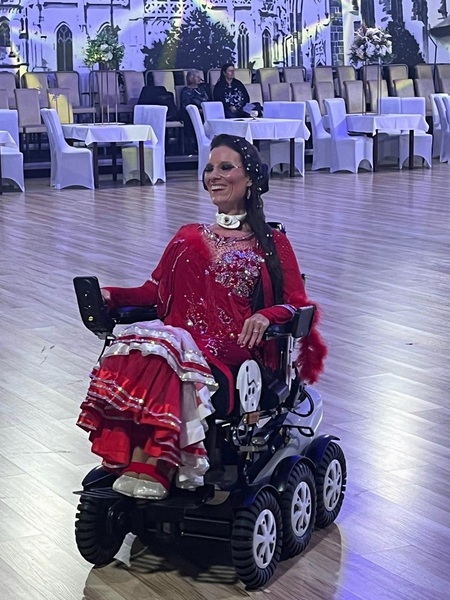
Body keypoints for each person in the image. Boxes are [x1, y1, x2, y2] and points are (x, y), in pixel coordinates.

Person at [77, 134, 327, 501]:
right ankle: (143, 458)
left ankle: (156, 465)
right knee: (141, 345)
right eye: (210, 168)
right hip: (182, 340)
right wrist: (111, 296)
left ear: (250, 178)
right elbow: (153, 292)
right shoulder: (188, 235)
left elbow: (298, 304)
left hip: (235, 349)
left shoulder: (272, 242)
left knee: (166, 350)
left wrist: (266, 315)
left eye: (226, 167)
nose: (214, 175)